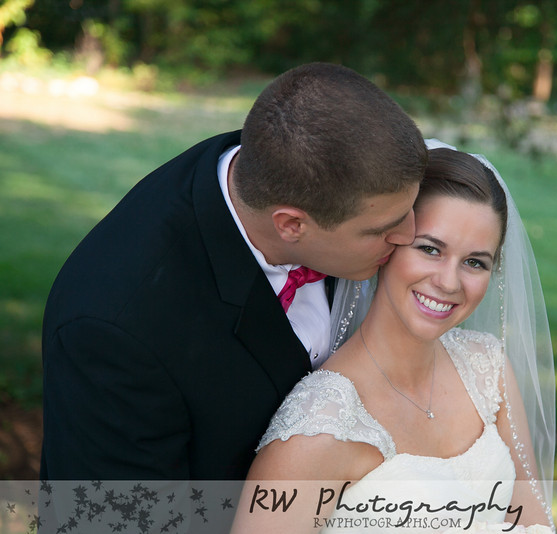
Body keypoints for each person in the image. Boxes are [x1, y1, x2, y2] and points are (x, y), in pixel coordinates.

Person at [40, 62, 427, 481]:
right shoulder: (116, 331)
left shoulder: (310, 175)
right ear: (292, 225)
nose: (410, 235)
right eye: (384, 229)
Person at [232, 142, 556, 533]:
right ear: (388, 244)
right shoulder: (319, 426)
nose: (449, 282)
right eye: (430, 249)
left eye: (475, 262)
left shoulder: (488, 370)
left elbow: (534, 523)